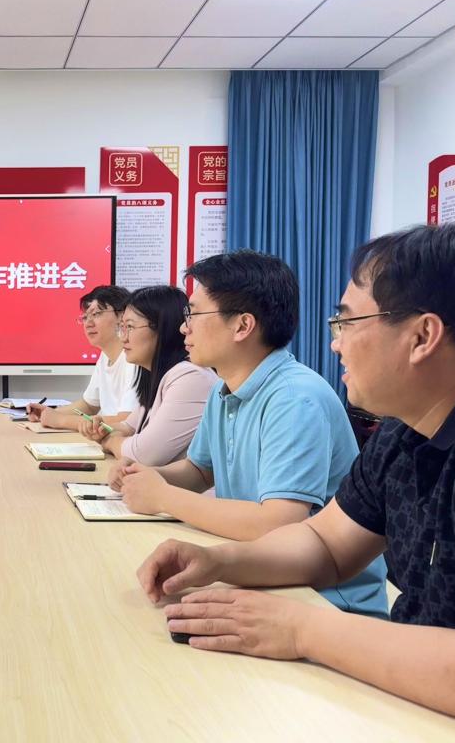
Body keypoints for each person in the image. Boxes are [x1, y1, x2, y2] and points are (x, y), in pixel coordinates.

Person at [137, 225, 455, 722]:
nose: (336, 344)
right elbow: (325, 543)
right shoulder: (402, 434)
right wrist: (219, 562)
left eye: (347, 322)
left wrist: (304, 630)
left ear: (422, 336)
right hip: (414, 693)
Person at [116, 250, 388, 616]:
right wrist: (147, 477)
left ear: (242, 326)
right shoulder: (223, 389)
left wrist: (163, 497)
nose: (183, 328)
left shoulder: (294, 398)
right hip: (261, 573)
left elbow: (278, 522)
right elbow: (200, 470)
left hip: (324, 600)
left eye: (193, 314)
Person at [79, 286, 216, 466]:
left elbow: (142, 454)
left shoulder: (190, 377)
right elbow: (128, 426)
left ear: (162, 328)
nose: (123, 338)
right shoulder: (159, 375)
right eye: (122, 327)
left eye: (130, 327)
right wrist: (104, 429)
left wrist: (109, 441)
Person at [27, 285, 137, 431]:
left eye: (96, 314)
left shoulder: (135, 359)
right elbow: (89, 405)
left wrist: (61, 420)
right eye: (85, 317)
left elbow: (127, 421)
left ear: (122, 315)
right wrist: (49, 413)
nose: (88, 323)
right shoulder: (105, 356)